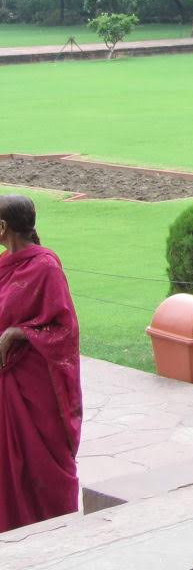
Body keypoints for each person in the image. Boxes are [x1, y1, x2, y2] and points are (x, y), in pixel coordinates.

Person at [0, 195, 82, 533]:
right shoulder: (5, 263)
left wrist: (17, 333)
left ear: (3, 227)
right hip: (6, 383)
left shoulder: (45, 267)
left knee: (39, 461)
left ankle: (51, 526)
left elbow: (65, 329)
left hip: (35, 385)